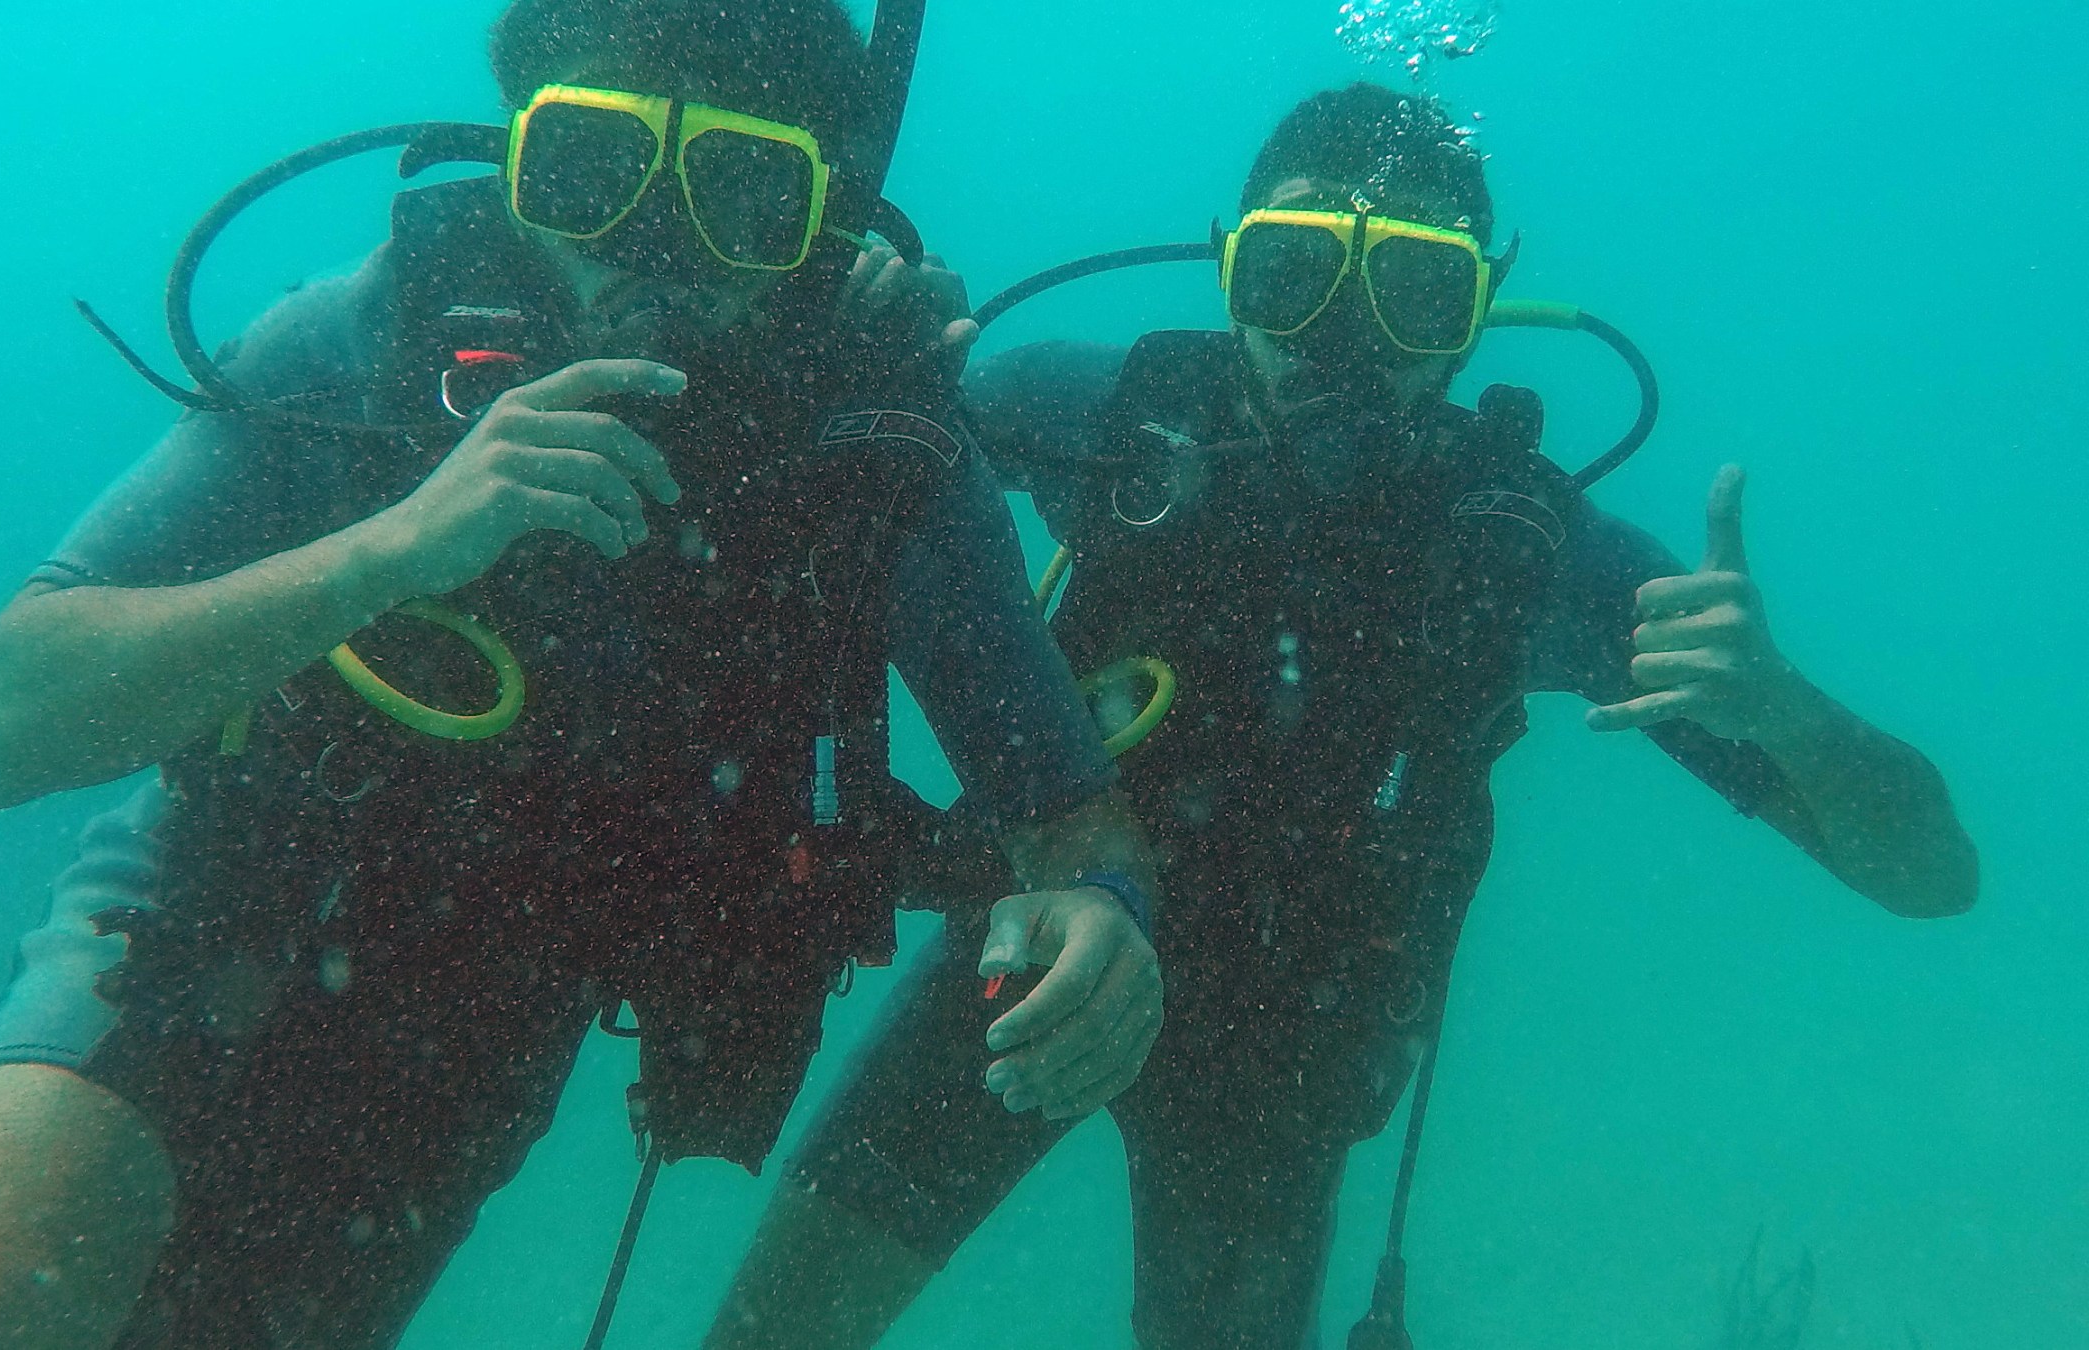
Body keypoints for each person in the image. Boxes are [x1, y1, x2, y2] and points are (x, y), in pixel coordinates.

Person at [0, 3, 1168, 1346]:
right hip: (211, 917)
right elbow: (10, 724)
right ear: (516, 148)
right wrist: (399, 542)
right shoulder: (376, 338)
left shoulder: (873, 456)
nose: (649, 247)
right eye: (593, 165)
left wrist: (1101, 917)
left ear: (815, 214)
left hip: (476, 1041)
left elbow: (1074, 828)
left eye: (736, 191)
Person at [704, 81, 1979, 1350]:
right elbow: (839, 462)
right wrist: (864, 332)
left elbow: (1931, 877)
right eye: (1295, 270)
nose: (1342, 339)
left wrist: (1789, 712)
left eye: (1415, 292)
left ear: (1478, 309)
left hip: (1285, 1049)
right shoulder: (1098, 414)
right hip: (1036, 955)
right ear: (1226, 262)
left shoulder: (1529, 551)